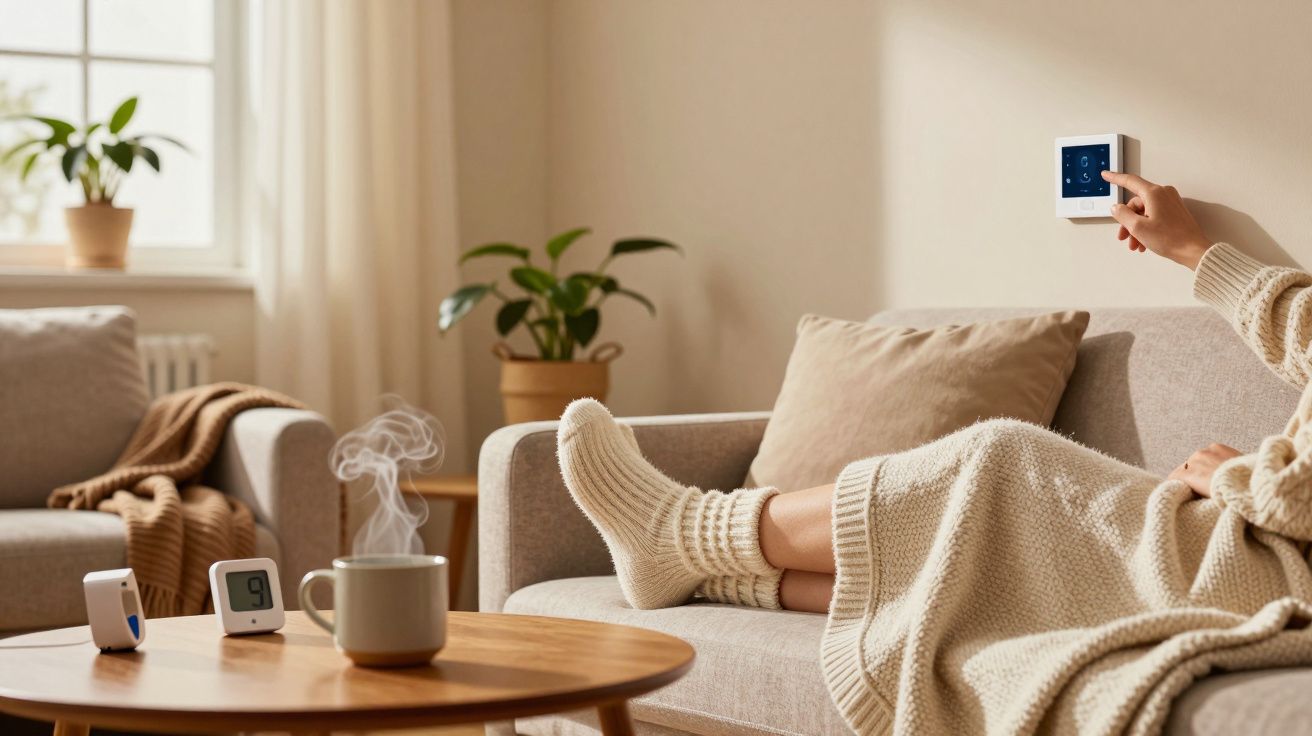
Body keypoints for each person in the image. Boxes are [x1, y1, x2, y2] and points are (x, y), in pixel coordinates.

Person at [555, 170, 1312, 615]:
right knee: (994, 550)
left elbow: (1295, 500)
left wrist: (1237, 478)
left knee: (1003, 464)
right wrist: (1191, 248)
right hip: (1244, 540)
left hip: (1269, 565)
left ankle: (681, 531)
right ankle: (715, 573)